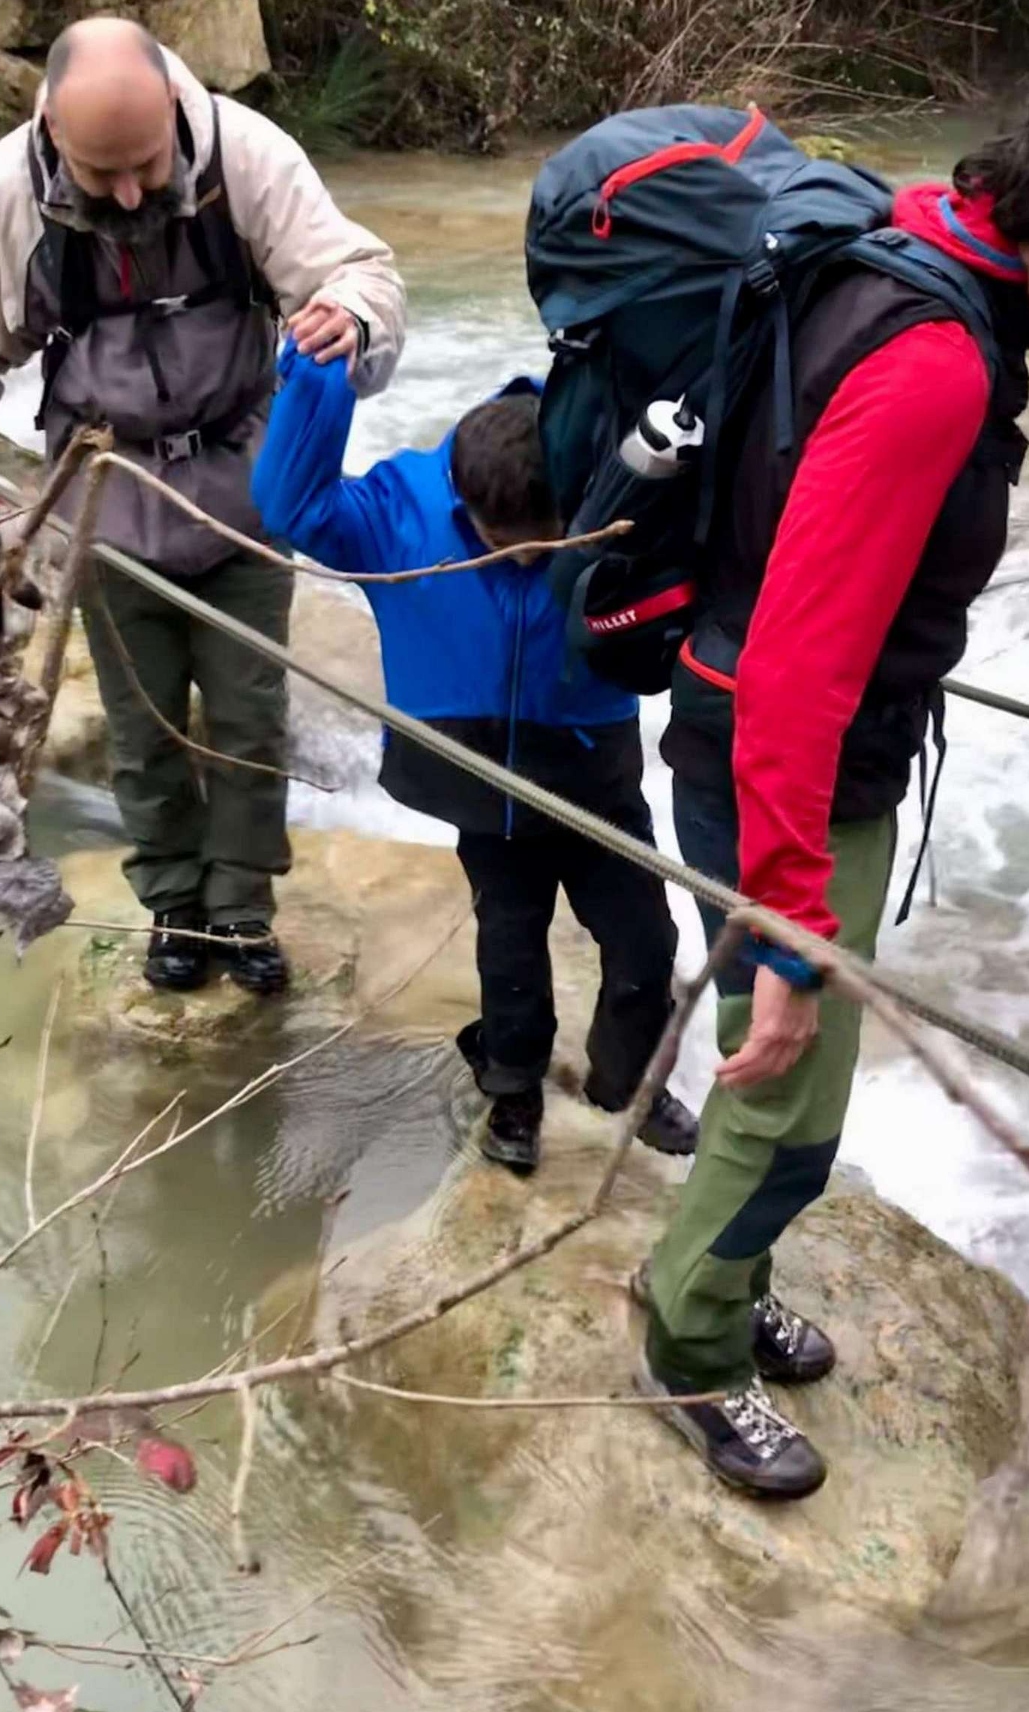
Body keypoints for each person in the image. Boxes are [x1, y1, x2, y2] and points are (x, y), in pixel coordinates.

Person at [635, 36, 1029, 1499]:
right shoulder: (932, 364)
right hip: (778, 763)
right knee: (784, 1094)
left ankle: (717, 1289)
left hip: (753, 734)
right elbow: (802, 665)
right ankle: (688, 1350)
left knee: (782, 1081)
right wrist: (793, 928)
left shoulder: (911, 237)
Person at [0, 17, 405, 997]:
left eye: (144, 163)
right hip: (104, 494)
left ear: (176, 107)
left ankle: (243, 915)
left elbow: (362, 274)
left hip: (245, 491)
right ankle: (173, 905)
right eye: (103, 176)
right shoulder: (12, 189)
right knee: (142, 727)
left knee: (248, 718)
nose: (132, 192)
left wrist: (351, 319)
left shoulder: (249, 157)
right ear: (53, 130)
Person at [251, 341, 699, 1173]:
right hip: (484, 786)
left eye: (544, 543)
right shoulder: (402, 514)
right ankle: (513, 1089)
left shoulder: (606, 482)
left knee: (645, 941)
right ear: (463, 504)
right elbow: (289, 510)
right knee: (511, 942)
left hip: (595, 776)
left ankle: (625, 1083)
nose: (529, 559)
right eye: (508, 545)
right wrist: (319, 372)